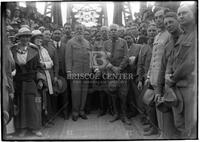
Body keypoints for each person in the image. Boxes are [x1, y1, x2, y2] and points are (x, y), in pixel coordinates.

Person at [163, 4, 197, 138]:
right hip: (176, 87)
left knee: (191, 125)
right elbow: (172, 59)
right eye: (179, 14)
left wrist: (173, 78)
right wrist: (167, 74)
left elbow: (190, 62)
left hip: (189, 87)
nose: (181, 16)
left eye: (184, 13)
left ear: (194, 15)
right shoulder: (182, 36)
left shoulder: (195, 35)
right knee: (179, 123)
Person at [145, 8, 175, 138]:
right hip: (154, 77)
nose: (158, 20)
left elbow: (170, 59)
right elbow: (154, 58)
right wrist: (148, 75)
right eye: (156, 17)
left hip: (163, 77)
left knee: (164, 106)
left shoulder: (170, 35)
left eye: (160, 17)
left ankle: (166, 134)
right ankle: (160, 131)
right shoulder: (157, 36)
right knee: (156, 104)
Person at [11, 27, 42, 137]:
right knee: (20, 105)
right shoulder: (12, 49)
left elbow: (38, 67)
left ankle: (35, 128)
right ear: (19, 38)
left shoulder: (35, 49)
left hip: (31, 81)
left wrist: (40, 80)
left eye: (28, 36)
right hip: (18, 82)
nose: (25, 38)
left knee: (33, 105)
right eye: (23, 36)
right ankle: (22, 129)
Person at [103, 24, 131, 125]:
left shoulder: (123, 42)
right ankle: (115, 114)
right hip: (111, 73)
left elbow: (126, 56)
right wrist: (112, 67)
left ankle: (124, 115)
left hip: (122, 72)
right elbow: (103, 58)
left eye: (115, 30)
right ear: (109, 32)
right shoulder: (105, 43)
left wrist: (119, 68)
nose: (113, 32)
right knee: (113, 94)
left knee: (123, 94)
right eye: (111, 30)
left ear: (118, 31)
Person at [65, 24, 91, 121]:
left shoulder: (87, 43)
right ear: (74, 30)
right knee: (75, 92)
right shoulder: (70, 42)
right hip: (75, 72)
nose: (79, 31)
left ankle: (81, 111)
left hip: (86, 72)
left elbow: (90, 57)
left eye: (81, 29)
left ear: (84, 31)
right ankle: (75, 112)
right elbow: (68, 58)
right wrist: (69, 71)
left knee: (84, 92)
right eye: (77, 29)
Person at [137, 23, 158, 136]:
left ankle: (154, 127)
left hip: (157, 78)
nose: (152, 32)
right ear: (147, 32)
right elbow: (140, 64)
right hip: (146, 79)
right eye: (150, 30)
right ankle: (151, 124)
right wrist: (140, 79)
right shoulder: (144, 47)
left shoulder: (160, 43)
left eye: (154, 30)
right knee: (147, 103)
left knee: (154, 104)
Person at [31, 30, 55, 126]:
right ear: (33, 39)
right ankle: (38, 121)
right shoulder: (31, 49)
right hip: (36, 78)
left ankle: (46, 119)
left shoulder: (44, 49)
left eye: (40, 37)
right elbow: (35, 66)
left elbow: (51, 62)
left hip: (46, 77)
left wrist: (43, 64)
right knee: (38, 100)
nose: (39, 39)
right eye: (37, 38)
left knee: (45, 99)